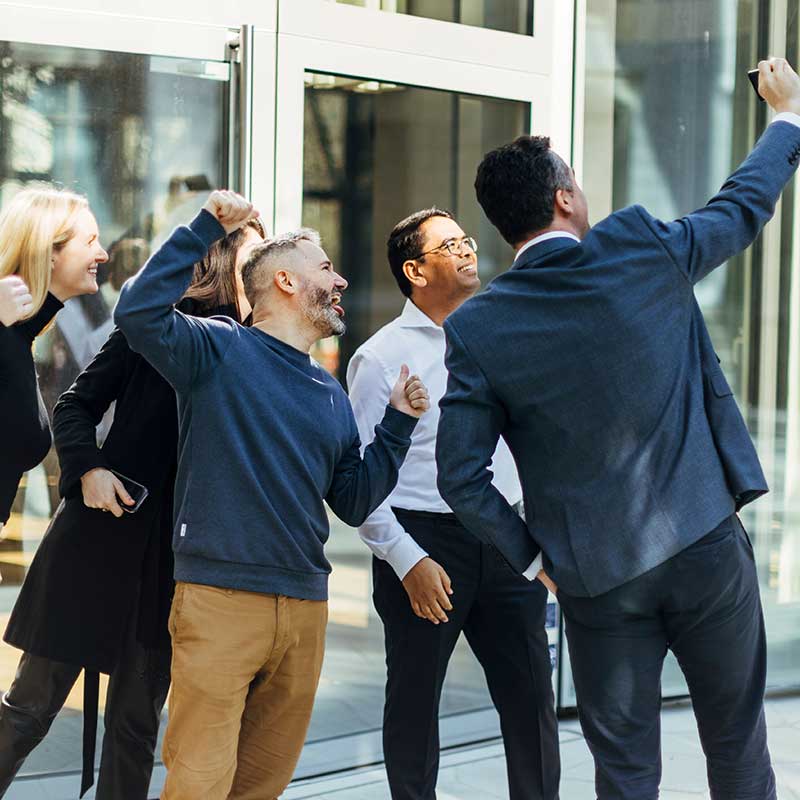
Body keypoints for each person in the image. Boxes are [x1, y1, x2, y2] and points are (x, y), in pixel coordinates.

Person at [436, 58, 800, 800]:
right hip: (702, 542)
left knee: (626, 771)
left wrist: (535, 557)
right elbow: (741, 207)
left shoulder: (479, 325)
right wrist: (787, 117)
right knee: (736, 744)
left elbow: (458, 475)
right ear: (566, 197)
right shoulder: (639, 245)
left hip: (594, 577)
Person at [114, 190, 430, 800]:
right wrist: (206, 226)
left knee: (262, 785)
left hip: (306, 608)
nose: (339, 280)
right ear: (285, 280)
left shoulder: (329, 390)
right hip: (221, 600)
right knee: (200, 782)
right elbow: (137, 312)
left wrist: (396, 424)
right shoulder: (218, 349)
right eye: (326, 268)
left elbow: (355, 501)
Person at [0, 219, 264, 799]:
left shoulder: (260, 350)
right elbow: (74, 406)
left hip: (171, 566)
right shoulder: (156, 328)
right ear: (225, 262)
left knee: (135, 726)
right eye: (254, 246)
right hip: (96, 540)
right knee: (28, 709)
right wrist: (87, 470)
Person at [347, 208, 559, 800]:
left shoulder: (502, 332)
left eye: (467, 240)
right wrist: (406, 560)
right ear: (415, 270)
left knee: (532, 704)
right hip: (424, 542)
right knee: (415, 705)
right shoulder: (381, 356)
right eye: (449, 245)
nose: (468, 250)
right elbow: (361, 480)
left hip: (506, 535)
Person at [0, 187, 109, 542]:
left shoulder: (18, 337)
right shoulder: (7, 334)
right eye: (90, 241)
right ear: (49, 253)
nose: (103, 254)